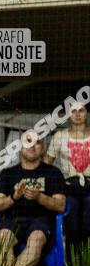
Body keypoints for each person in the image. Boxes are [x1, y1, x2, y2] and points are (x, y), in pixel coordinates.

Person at [0, 134, 66, 266]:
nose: (32, 146)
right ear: (20, 147)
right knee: (3, 238)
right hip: (12, 220)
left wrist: (39, 197)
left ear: (42, 148)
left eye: (37, 143)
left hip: (41, 221)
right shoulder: (7, 174)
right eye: (28, 142)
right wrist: (13, 197)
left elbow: (61, 205)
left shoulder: (53, 173)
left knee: (36, 239)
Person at [43, 103, 90, 244]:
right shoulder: (59, 136)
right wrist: (58, 182)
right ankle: (72, 264)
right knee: (72, 228)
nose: (77, 114)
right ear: (69, 114)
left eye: (81, 110)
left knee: (88, 226)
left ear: (86, 113)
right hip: (69, 187)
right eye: (73, 111)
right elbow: (46, 165)